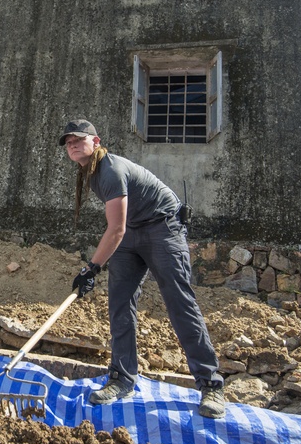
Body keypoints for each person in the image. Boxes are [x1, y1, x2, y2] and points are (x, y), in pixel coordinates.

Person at [60, 119, 226, 418]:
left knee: (179, 304)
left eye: (78, 139)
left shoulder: (110, 170)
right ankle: (122, 379)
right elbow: (122, 228)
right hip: (133, 232)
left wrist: (92, 268)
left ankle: (211, 385)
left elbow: (115, 229)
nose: (72, 144)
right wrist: (94, 267)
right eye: (68, 141)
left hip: (163, 229)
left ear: (95, 142)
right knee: (120, 303)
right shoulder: (92, 172)